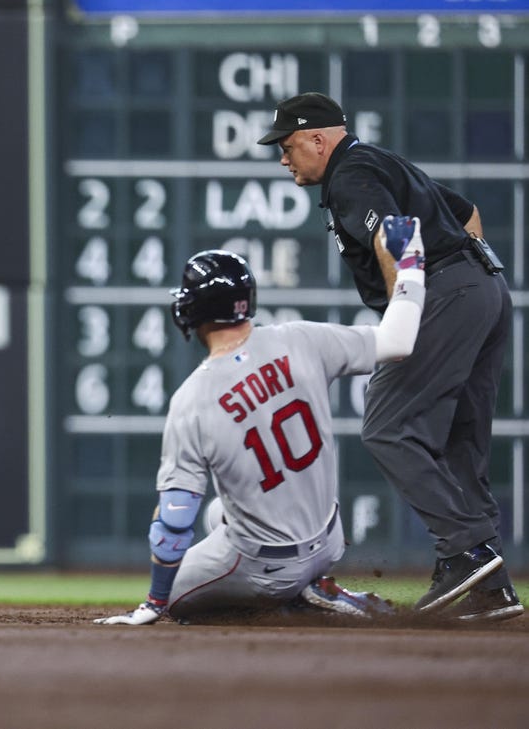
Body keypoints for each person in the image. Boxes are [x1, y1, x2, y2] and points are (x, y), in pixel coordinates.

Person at [256, 92, 522, 622]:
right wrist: (465, 280)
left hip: (446, 293)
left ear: (318, 139)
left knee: (386, 426)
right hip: (484, 289)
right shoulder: (377, 161)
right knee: (457, 442)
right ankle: (491, 587)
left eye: (287, 146)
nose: (283, 159)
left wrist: (410, 305)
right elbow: (469, 215)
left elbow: (396, 232)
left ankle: (468, 553)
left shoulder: (350, 177)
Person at [97, 226, 424, 625]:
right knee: (219, 513)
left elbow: (174, 520)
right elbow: (399, 342)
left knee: (179, 598)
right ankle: (316, 586)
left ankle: (291, 600)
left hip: (266, 569)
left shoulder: (192, 398)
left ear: (193, 311)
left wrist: (154, 602)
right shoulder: (302, 338)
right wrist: (410, 262)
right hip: (329, 542)